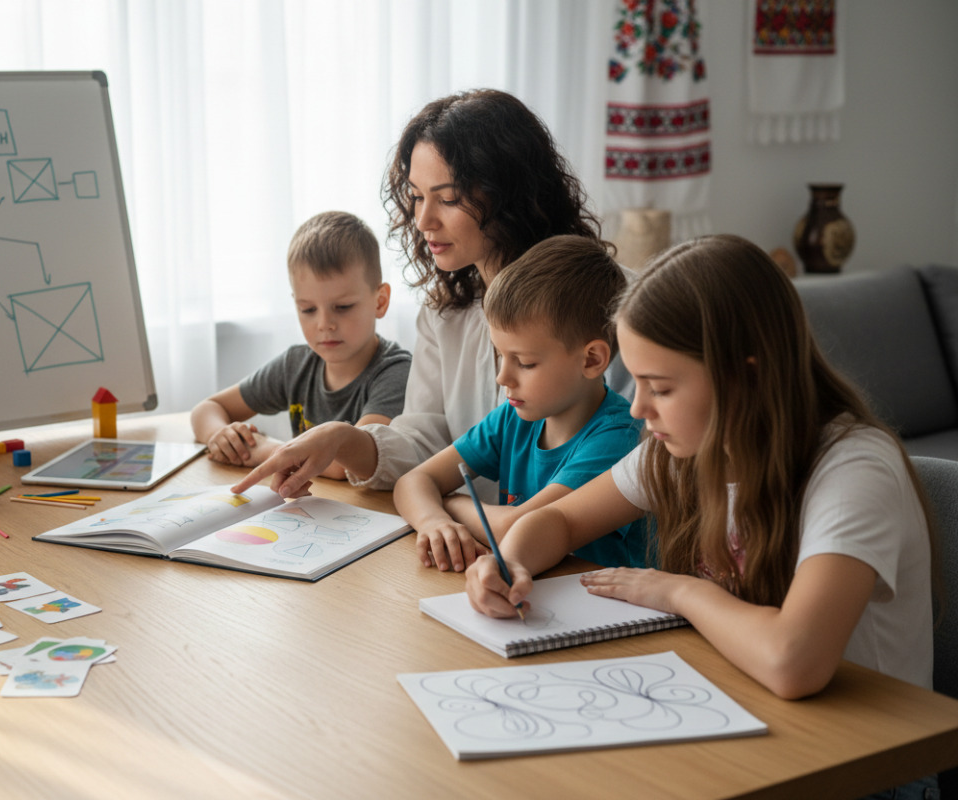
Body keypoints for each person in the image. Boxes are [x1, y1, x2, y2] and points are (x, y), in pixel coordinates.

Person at [466, 235, 940, 713]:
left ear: (743, 376)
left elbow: (794, 662)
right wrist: (508, 562)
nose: (637, 407)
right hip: (741, 702)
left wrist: (679, 591)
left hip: (872, 756)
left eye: (661, 388)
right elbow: (560, 521)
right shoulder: (682, 452)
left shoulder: (854, 470)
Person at [232, 89, 604, 499]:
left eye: (447, 199)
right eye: (415, 196)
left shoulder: (600, 303)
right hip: (468, 543)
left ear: (510, 195)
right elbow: (423, 441)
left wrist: (456, 514)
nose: (423, 220)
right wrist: (342, 438)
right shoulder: (444, 313)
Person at [394, 235, 645, 573]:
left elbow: (513, 527)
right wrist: (433, 520)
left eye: (524, 362)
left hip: (604, 610)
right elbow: (412, 482)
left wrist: (451, 501)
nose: (503, 377)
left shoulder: (618, 437)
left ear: (591, 360)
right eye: (501, 356)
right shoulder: (514, 417)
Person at [191, 211, 411, 479]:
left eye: (342, 307)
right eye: (308, 309)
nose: (324, 323)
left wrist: (263, 451)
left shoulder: (396, 373)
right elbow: (207, 409)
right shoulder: (296, 364)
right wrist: (220, 435)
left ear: (380, 301)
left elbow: (346, 467)